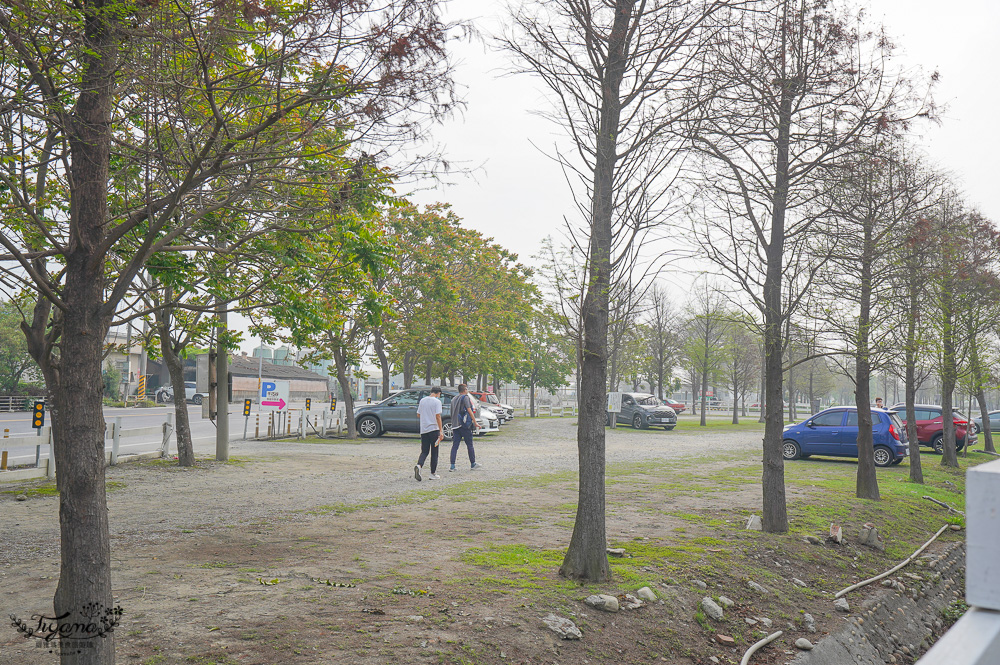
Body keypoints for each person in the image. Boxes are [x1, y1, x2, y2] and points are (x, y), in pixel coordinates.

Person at [449, 384, 482, 471]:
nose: (467, 390)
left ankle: (452, 465)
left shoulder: (454, 399)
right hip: (463, 425)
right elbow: (469, 410)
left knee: (455, 446)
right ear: (464, 390)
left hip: (455, 425)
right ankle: (473, 463)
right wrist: (475, 422)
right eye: (467, 389)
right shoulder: (465, 398)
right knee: (469, 444)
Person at [414, 386, 444, 481]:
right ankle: (432, 473)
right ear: (438, 393)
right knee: (434, 452)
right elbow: (438, 416)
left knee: (424, 451)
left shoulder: (422, 400)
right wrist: (441, 430)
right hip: (434, 429)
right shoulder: (437, 402)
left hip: (424, 429)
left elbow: (418, 414)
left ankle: (419, 465)